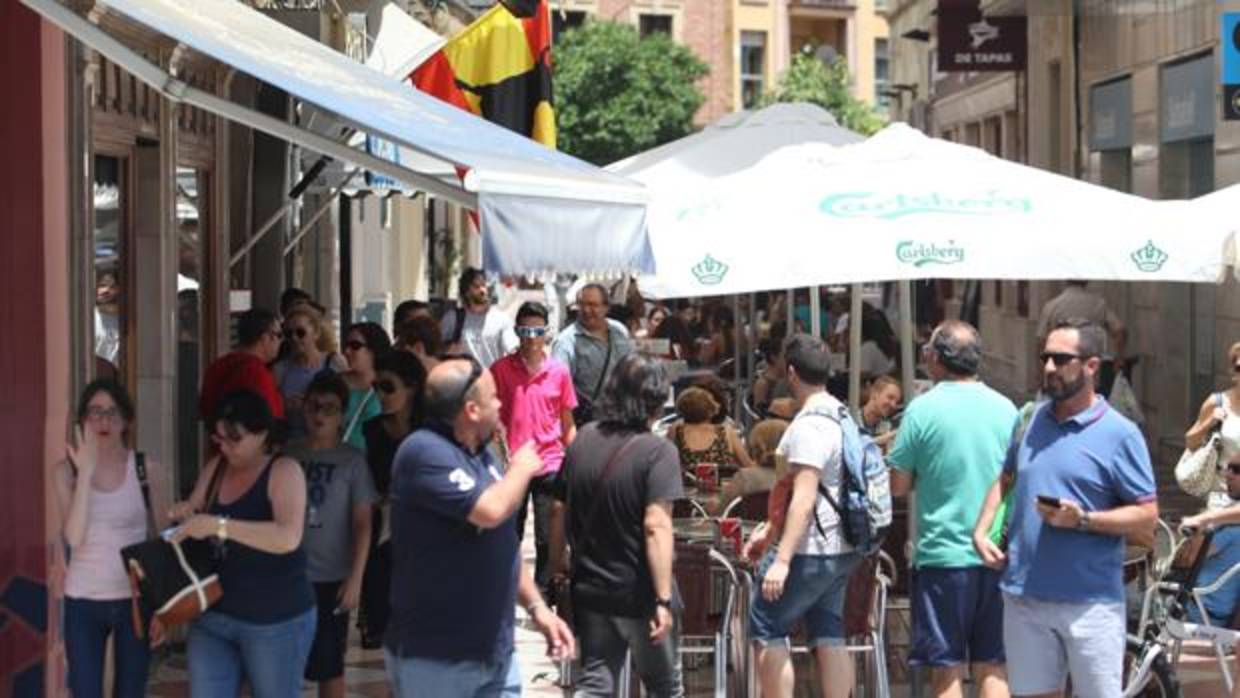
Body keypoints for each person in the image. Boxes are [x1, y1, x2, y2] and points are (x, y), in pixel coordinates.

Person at [972, 319, 1158, 698]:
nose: (1049, 368)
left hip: (1090, 603)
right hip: (1024, 596)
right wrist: (982, 529)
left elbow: (1147, 514)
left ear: (1092, 366)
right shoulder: (1030, 420)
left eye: (1061, 359)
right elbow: (1006, 477)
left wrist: (1084, 519)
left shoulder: (1120, 434)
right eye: (1046, 358)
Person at [384, 356, 575, 696]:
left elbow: (501, 543)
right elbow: (490, 510)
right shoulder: (422, 452)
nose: (502, 403)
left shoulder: (481, 455)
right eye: (494, 397)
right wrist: (521, 468)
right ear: (472, 409)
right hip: (437, 659)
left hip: (494, 654)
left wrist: (537, 607)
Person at [887, 321, 1015, 698]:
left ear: (935, 358)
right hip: (996, 555)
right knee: (994, 667)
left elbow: (898, 486)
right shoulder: (1006, 408)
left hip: (943, 557)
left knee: (946, 672)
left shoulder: (922, 409)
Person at [548, 353, 686, 697]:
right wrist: (664, 599)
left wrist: (556, 565)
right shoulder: (659, 452)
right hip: (640, 592)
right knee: (664, 687)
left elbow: (556, 509)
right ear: (656, 400)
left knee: (596, 681)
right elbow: (656, 525)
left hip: (591, 587)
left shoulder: (583, 440)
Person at [170, 390, 316, 698]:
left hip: (274, 620)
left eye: (234, 438)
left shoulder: (284, 471)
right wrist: (182, 514)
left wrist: (220, 526)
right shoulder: (216, 468)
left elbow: (287, 537)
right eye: (218, 438)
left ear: (261, 434)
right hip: (213, 615)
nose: (224, 446)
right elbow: (194, 513)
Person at [748, 333, 861, 698]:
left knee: (766, 627)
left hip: (810, 549)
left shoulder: (809, 426)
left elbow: (804, 496)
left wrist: (781, 559)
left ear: (791, 373)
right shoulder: (844, 417)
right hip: (842, 548)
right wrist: (770, 529)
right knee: (829, 630)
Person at [55, 380, 159, 698]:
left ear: (126, 420)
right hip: (83, 600)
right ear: (82, 421)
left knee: (130, 691)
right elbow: (74, 537)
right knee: (85, 691)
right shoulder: (65, 471)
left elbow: (164, 540)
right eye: (95, 412)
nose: (103, 422)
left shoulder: (146, 468)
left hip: (135, 600)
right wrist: (85, 473)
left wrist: (163, 610)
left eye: (112, 413)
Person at [284, 374, 376, 698]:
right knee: (281, 664)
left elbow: (363, 522)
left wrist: (356, 577)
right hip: (288, 575)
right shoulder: (288, 455)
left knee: (329, 667)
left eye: (330, 408)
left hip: (332, 579)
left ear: (343, 415)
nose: (320, 415)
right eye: (313, 407)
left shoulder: (352, 461)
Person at [492, 301, 577, 598]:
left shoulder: (559, 372)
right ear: (516, 331)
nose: (531, 337)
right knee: (507, 533)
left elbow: (567, 422)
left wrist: (575, 460)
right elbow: (491, 415)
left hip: (550, 461)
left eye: (537, 330)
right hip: (513, 464)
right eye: (525, 330)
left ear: (547, 333)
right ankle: (505, 588)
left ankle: (544, 592)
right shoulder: (501, 370)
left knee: (546, 534)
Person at [359, 350, 427, 648]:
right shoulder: (371, 430)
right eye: (376, 387)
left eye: (388, 387)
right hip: (381, 534)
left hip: (422, 533)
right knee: (381, 620)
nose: (380, 395)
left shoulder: (430, 428)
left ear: (411, 386)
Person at [552, 283, 633, 425]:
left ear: (606, 307)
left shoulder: (620, 331)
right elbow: (559, 389)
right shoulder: (566, 342)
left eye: (592, 305)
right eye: (581, 305)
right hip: (589, 423)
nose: (586, 310)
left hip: (622, 418)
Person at [1036, 281, 1127, 395]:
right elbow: (1120, 331)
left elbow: (1041, 342)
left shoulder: (1052, 306)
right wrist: (1119, 359)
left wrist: (1042, 376)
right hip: (1092, 373)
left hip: (1061, 373)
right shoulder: (1098, 304)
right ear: (1086, 281)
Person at [273, 305, 347, 441]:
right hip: (293, 445)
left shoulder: (334, 362)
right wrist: (284, 405)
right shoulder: (281, 369)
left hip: (327, 444)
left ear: (316, 333)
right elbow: (273, 413)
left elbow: (348, 406)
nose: (294, 338)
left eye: (300, 332)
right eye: (289, 334)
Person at [199, 308, 285, 421]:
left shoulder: (217, 366)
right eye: (279, 335)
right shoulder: (256, 373)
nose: (281, 341)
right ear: (265, 338)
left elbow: (205, 409)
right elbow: (270, 420)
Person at [440, 267, 518, 367]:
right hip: (462, 381)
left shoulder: (502, 320)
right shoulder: (452, 318)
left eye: (484, 285)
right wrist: (447, 349)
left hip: (491, 380)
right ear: (466, 292)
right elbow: (435, 349)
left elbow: (513, 350)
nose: (482, 290)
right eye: (476, 286)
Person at [667, 386, 755, 473]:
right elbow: (748, 465)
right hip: (724, 486)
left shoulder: (676, 430)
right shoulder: (725, 431)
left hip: (686, 486)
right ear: (711, 409)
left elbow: (666, 464)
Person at [1185, 341, 1240, 475]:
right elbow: (1190, 442)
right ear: (1234, 372)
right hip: (1223, 491)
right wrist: (1208, 423)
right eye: (1239, 368)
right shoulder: (1217, 402)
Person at [715, 419, 787, 515]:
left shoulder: (745, 478)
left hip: (749, 529)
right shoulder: (801, 479)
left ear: (755, 448)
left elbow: (722, 512)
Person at [340, 322, 390, 453]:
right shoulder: (334, 383)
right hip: (340, 460)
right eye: (346, 345)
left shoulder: (388, 387)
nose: (346, 351)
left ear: (374, 349)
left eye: (355, 346)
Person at [854, 375, 903, 451]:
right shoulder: (851, 419)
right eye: (890, 397)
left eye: (896, 402)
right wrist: (885, 437)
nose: (893, 405)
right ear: (874, 394)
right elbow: (852, 448)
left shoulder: (887, 427)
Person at [752, 336, 792, 416]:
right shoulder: (763, 384)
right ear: (774, 357)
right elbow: (759, 414)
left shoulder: (789, 379)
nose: (789, 359)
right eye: (785, 356)